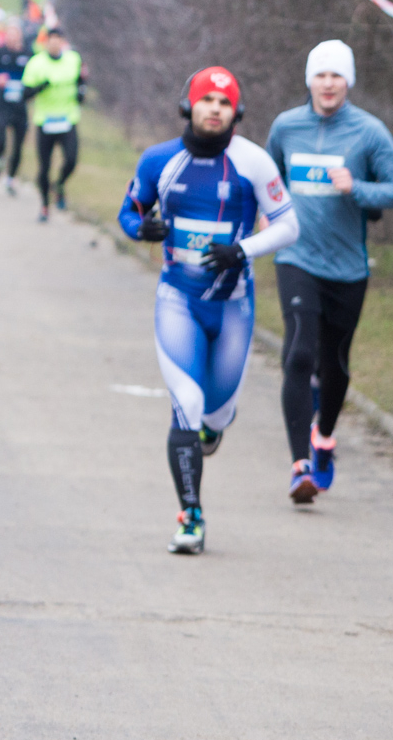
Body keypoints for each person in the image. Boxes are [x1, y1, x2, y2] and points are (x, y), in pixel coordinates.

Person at [118, 67, 300, 554]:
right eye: (206, 101)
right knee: (188, 406)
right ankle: (191, 516)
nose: (215, 109)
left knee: (215, 417)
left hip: (235, 306)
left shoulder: (254, 163)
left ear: (236, 112)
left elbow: (289, 227)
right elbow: (129, 211)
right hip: (178, 300)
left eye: (225, 103)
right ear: (189, 106)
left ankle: (213, 430)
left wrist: (243, 250)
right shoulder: (160, 160)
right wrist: (142, 229)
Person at [265, 39, 393, 504]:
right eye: (320, 74)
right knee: (299, 354)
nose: (327, 83)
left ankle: (324, 436)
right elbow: (267, 179)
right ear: (308, 79)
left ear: (347, 81)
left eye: (336, 75)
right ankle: (299, 466)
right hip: (296, 257)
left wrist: (359, 189)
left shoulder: (368, 132)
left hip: (347, 267)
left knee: (335, 362)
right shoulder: (286, 127)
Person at [20, 24, 85, 222]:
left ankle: (60, 184)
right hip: (45, 122)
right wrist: (41, 86)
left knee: (71, 160)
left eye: (58, 40)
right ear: (46, 42)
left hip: (68, 120)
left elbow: (81, 80)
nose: (55, 44)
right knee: (44, 167)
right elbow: (25, 94)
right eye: (51, 40)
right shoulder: (36, 63)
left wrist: (81, 93)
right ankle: (44, 205)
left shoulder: (73, 59)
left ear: (62, 43)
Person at [0, 21, 28, 193]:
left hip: (20, 107)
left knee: (18, 146)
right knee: (1, 140)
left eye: (15, 33)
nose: (12, 37)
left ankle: (10, 178)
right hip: (2, 105)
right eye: (9, 34)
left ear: (19, 36)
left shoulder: (27, 54)